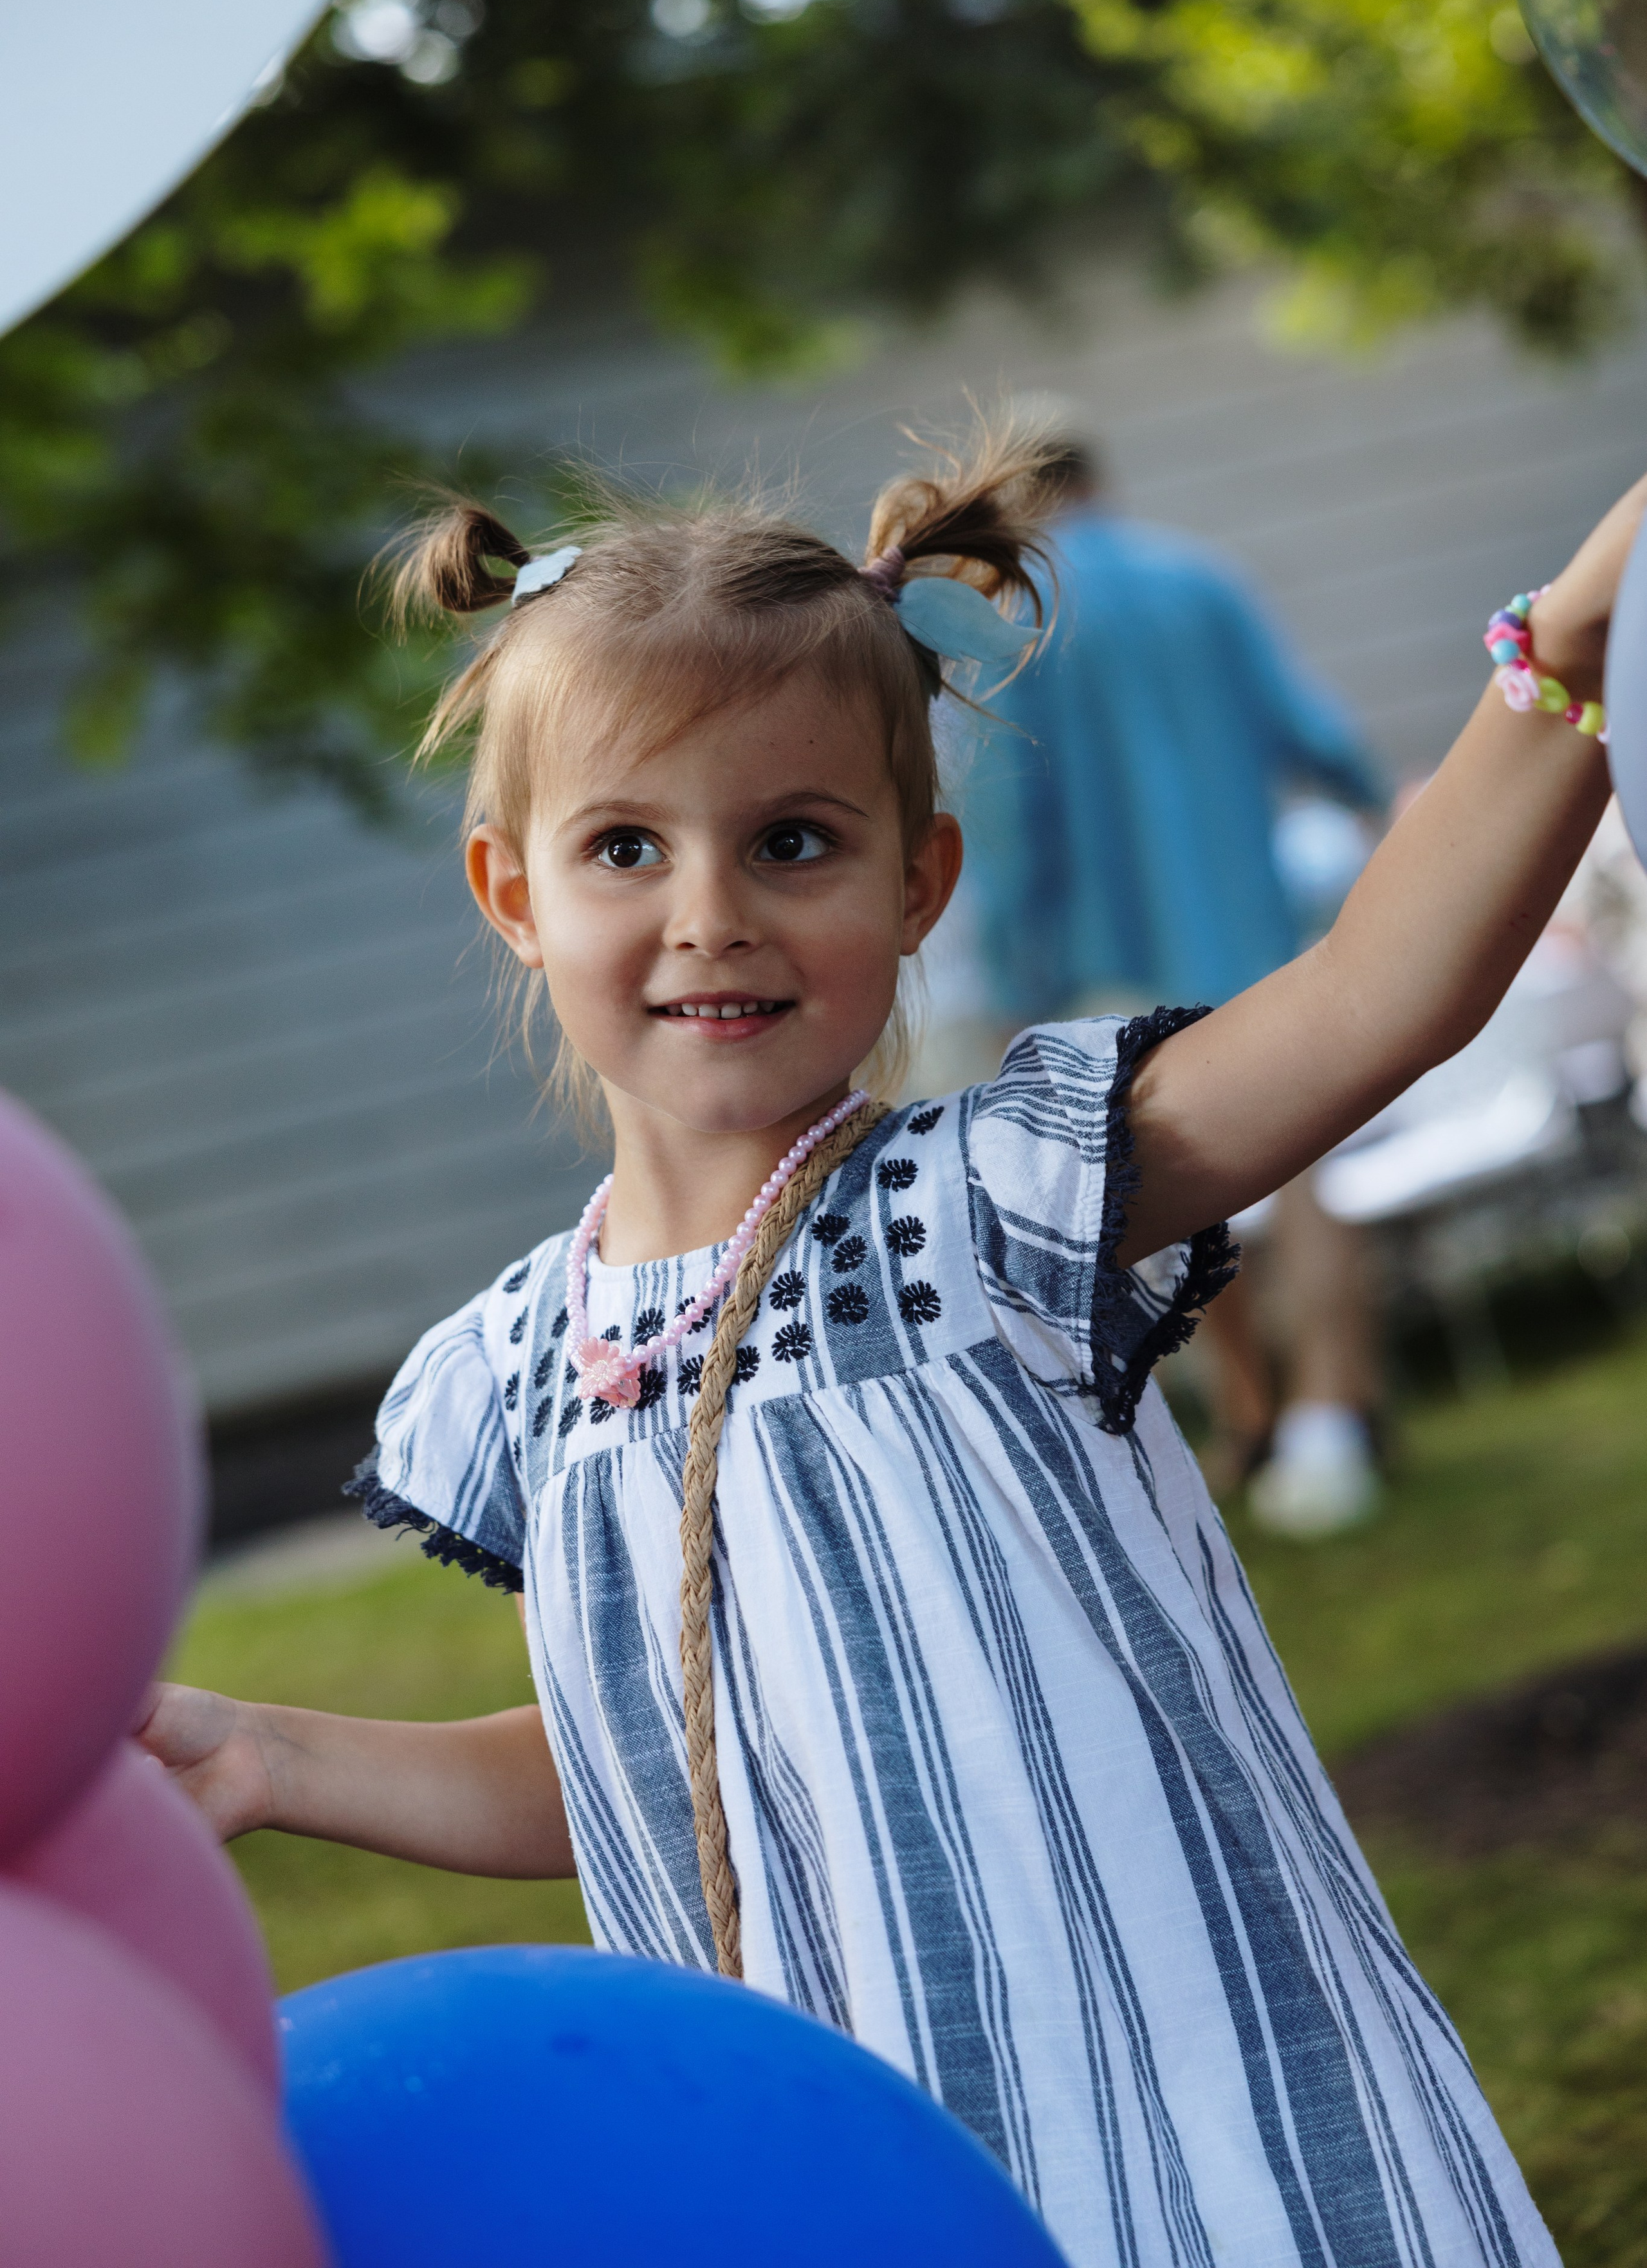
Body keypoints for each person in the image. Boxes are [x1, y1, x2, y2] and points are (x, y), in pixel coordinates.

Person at [140, 421, 1631, 2268]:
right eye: (625, 847)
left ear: (916, 883)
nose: (711, 916)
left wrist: (1560, 660)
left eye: (793, 842)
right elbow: (656, 1756)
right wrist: (272, 1756)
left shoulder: (996, 1201)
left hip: (1189, 2135)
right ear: (515, 897)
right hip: (837, 2179)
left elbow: (1369, 998)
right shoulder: (520, 1374)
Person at [956, 438, 1390, 1531]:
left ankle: (1251, 1413)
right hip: (1250, 935)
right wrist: (1373, 810)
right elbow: (1313, 732)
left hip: (1111, 969)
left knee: (1170, 1197)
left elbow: (1009, 824)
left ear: (1019, 502)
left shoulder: (1020, 624)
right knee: (1308, 1174)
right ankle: (1336, 1405)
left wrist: (1010, 975)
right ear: (1100, 478)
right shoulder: (1201, 577)